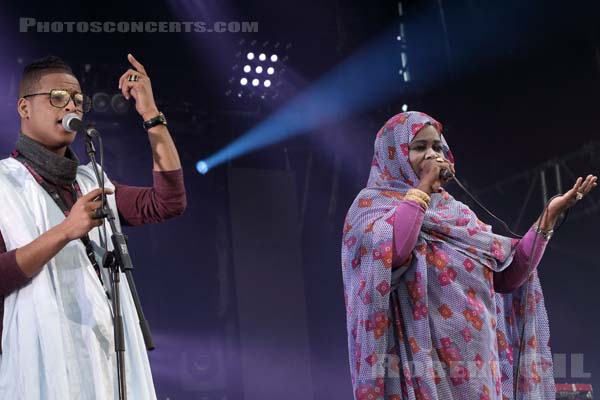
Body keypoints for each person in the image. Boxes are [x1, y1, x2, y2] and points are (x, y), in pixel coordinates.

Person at [341, 111, 597, 399]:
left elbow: (508, 275)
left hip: (477, 371)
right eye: (419, 147)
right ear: (394, 154)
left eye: (437, 147)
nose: (432, 155)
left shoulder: (459, 215)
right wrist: (422, 188)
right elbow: (393, 252)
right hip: (418, 370)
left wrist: (547, 218)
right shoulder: (370, 208)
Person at [0, 54, 186, 399]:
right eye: (57, 97)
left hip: (103, 357)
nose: (71, 105)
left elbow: (168, 202)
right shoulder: (3, 185)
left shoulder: (90, 180)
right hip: (41, 363)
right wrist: (66, 231)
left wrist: (151, 115)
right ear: (24, 108)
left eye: (77, 99)